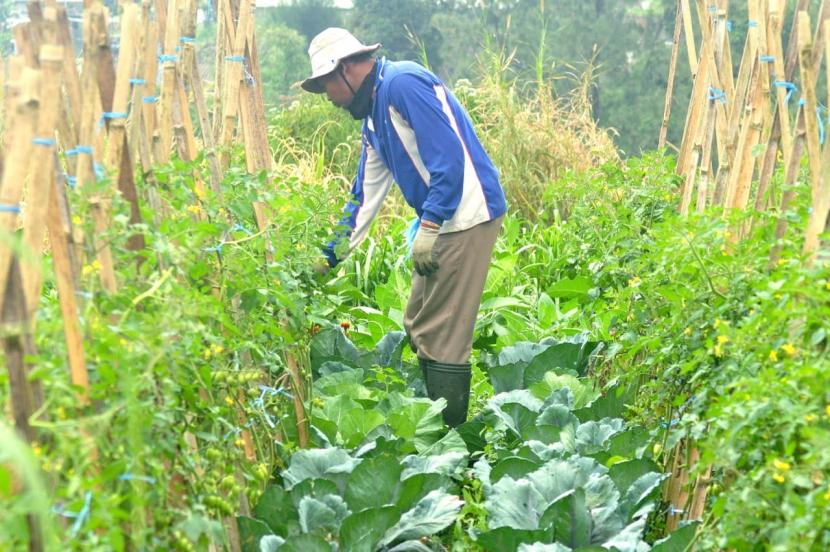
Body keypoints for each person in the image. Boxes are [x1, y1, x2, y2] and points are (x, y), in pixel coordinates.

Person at [302, 27, 506, 427]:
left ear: (344, 70)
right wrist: (325, 260)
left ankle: (450, 442)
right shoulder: (375, 120)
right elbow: (362, 201)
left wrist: (429, 223)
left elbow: (448, 157)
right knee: (417, 320)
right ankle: (437, 428)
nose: (328, 97)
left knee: (439, 333)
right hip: (443, 222)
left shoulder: (402, 84)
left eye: (326, 85)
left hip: (465, 216)